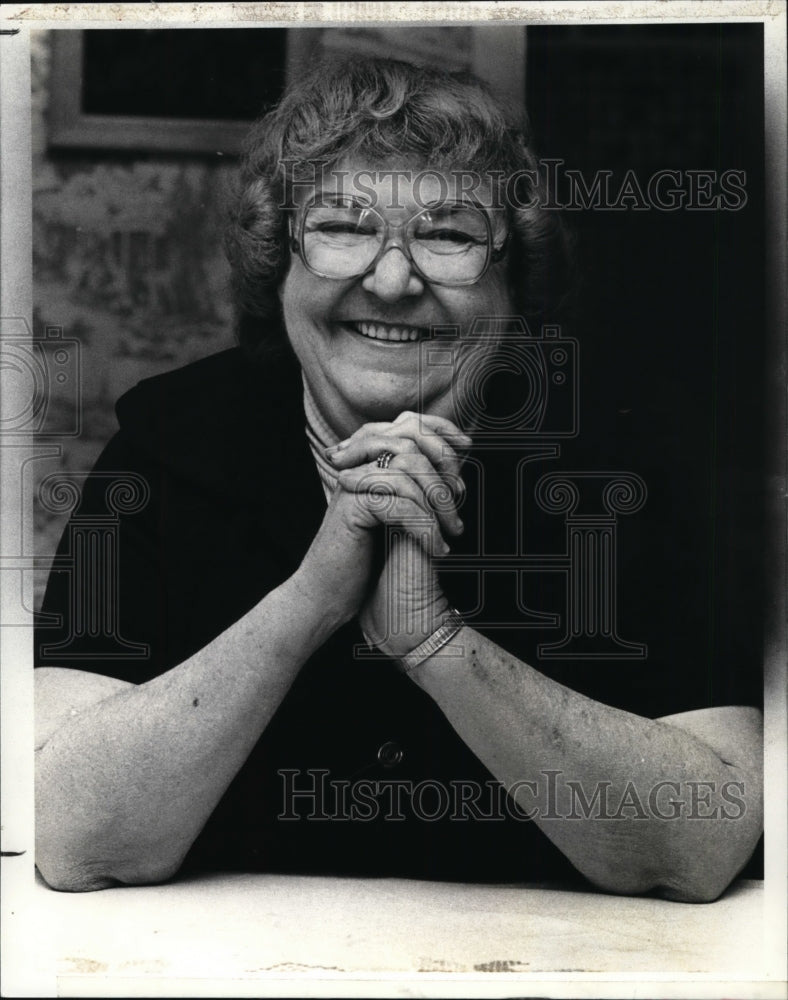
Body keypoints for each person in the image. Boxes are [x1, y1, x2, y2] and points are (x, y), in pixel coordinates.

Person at [34, 57, 762, 899]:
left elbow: (700, 848)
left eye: (448, 235)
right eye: (343, 227)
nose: (390, 280)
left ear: (511, 278)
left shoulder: (623, 464)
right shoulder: (166, 446)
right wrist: (310, 602)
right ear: (281, 260)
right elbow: (71, 838)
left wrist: (434, 642)